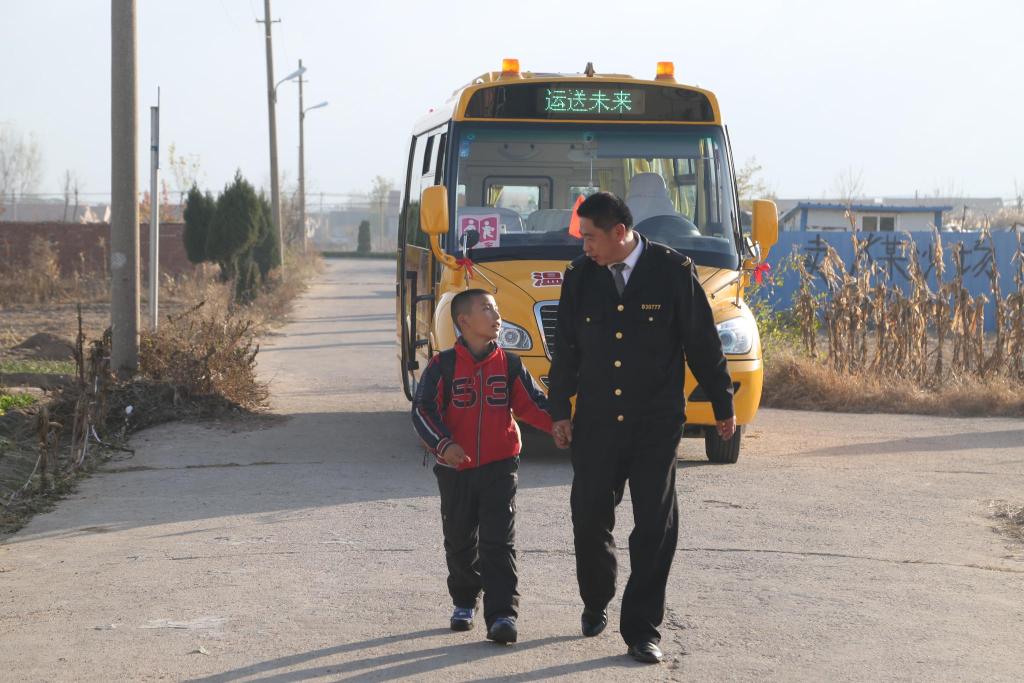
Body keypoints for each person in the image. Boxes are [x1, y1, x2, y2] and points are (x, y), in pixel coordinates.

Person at [547, 192, 736, 664]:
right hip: (595, 423)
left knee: (655, 526)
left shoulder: (672, 271)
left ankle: (643, 629)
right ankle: (596, 597)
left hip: (654, 423)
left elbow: (701, 341)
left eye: (590, 236)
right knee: (589, 518)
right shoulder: (579, 277)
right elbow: (566, 348)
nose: (584, 245)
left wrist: (721, 403)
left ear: (619, 232)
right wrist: (559, 410)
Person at [411, 288, 553, 645]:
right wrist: (445, 445)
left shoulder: (510, 364)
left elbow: (535, 405)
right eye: (487, 309)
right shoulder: (442, 365)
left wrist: (565, 426)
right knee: (459, 539)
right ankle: (464, 600)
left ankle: (502, 614)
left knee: (498, 541)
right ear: (464, 321)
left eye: (496, 308)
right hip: (454, 468)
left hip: (500, 464)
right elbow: (422, 410)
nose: (496, 315)